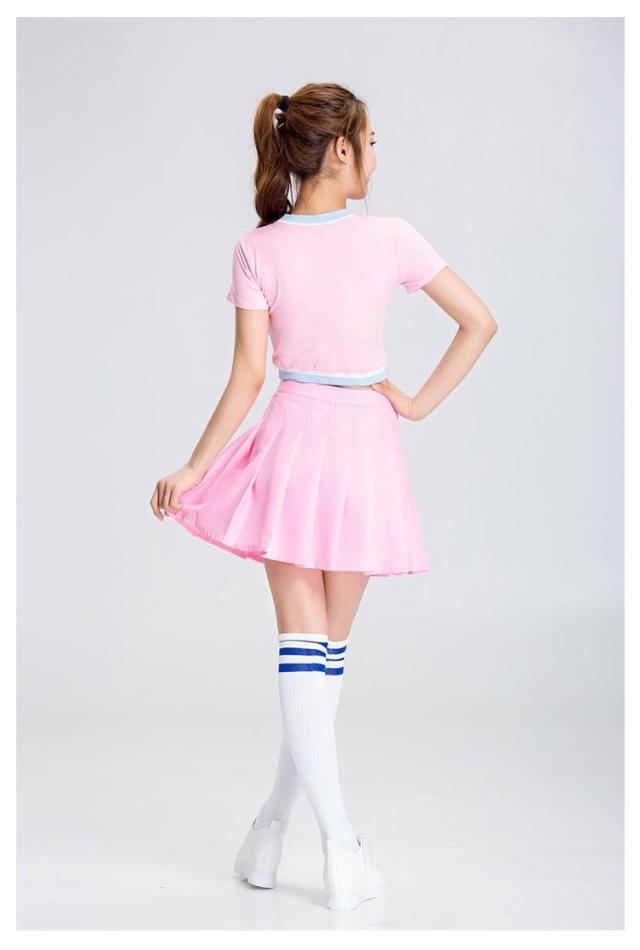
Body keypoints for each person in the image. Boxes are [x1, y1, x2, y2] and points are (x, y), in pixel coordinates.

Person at [149, 82, 498, 911]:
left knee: (312, 660)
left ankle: (271, 831)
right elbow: (480, 321)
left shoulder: (257, 247)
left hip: (294, 441)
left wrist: (197, 466)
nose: (375, 157)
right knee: (320, 658)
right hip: (365, 447)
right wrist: (414, 403)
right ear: (341, 150)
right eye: (371, 142)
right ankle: (342, 846)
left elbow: (248, 374)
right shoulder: (391, 237)